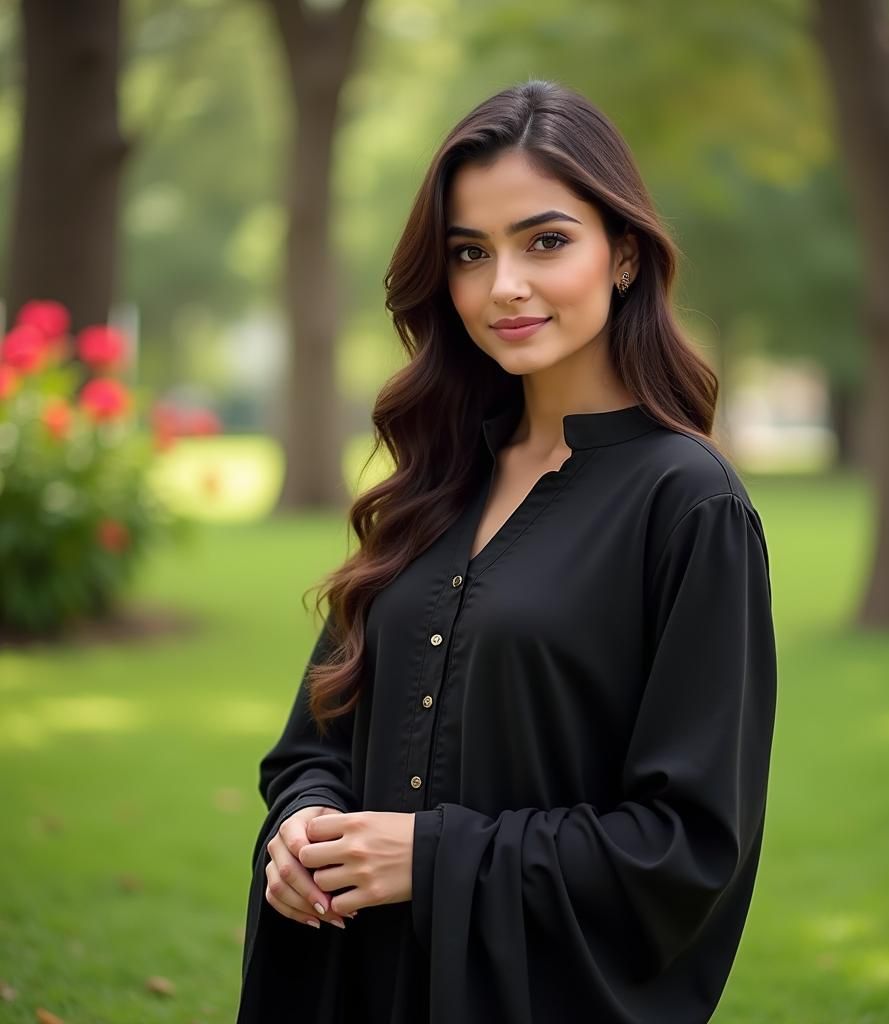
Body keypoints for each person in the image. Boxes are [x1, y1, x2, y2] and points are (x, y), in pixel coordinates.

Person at [236, 78, 777, 1024]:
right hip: (354, 986)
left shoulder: (689, 506)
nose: (504, 287)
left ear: (623, 257)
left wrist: (432, 859)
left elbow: (686, 845)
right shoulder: (434, 480)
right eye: (469, 254)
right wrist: (302, 827)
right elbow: (316, 737)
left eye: (547, 241)